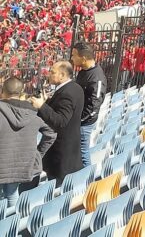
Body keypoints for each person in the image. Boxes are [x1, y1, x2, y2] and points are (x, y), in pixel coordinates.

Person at [0, 77, 56, 208]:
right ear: (21, 92)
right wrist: (37, 154)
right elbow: (51, 134)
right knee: (12, 195)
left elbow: (51, 134)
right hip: (20, 165)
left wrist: (38, 153)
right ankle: (13, 220)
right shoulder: (32, 113)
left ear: (2, 91)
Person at [30, 61, 84, 185]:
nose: (49, 74)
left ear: (62, 75)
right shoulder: (75, 87)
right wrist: (47, 102)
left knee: (59, 186)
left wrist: (42, 106)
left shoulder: (67, 93)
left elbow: (61, 121)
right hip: (69, 147)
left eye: (53, 72)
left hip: (61, 151)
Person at [71, 41, 107, 167]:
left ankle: (86, 177)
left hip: (84, 123)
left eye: (74, 55)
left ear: (84, 58)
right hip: (78, 119)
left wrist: (79, 120)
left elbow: (94, 106)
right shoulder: (84, 71)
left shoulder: (96, 78)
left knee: (82, 152)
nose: (72, 58)